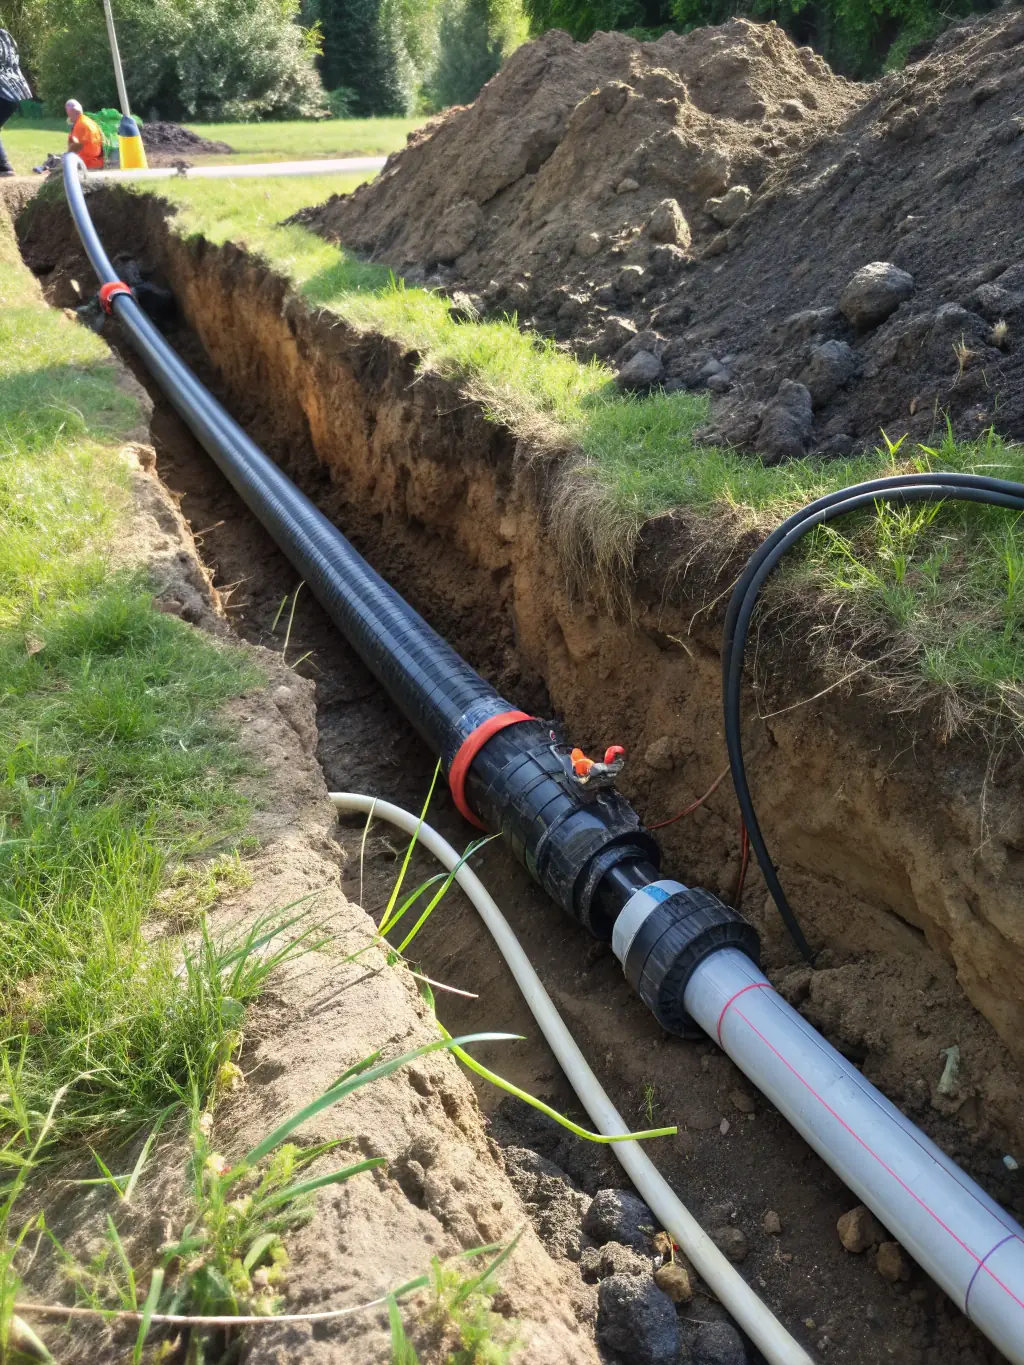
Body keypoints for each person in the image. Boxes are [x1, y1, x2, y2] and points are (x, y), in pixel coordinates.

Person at [0, 29, 32, 178]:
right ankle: (4, 168)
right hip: (16, 89)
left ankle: (4, 167)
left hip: (3, 90)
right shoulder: (5, 35)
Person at [66, 99, 104, 170]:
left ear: (74, 112)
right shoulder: (88, 120)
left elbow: (75, 147)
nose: (70, 118)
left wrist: (66, 157)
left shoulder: (80, 125)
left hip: (86, 161)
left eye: (70, 115)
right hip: (97, 159)